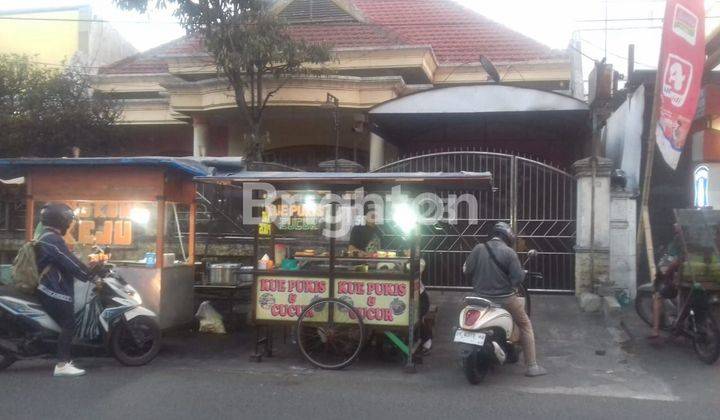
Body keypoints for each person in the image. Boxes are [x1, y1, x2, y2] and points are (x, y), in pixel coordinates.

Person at [463, 222, 547, 377]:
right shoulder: (509, 253)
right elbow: (516, 279)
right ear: (508, 237)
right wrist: (522, 273)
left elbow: (467, 270)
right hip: (504, 299)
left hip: (479, 297)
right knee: (525, 325)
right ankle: (532, 367)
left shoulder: (478, 248)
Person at [35, 203, 95, 377]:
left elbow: (67, 259)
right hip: (52, 288)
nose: (69, 224)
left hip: (52, 285)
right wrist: (88, 274)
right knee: (68, 323)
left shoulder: (47, 236)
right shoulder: (52, 239)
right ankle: (62, 364)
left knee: (66, 322)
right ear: (60, 220)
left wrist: (86, 270)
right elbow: (68, 261)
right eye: (68, 220)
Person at [649, 224, 684, 341]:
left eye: (677, 228)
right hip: (706, 280)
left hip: (683, 280)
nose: (675, 229)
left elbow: (675, 262)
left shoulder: (680, 242)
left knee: (658, 296)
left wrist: (667, 272)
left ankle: (655, 331)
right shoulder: (703, 242)